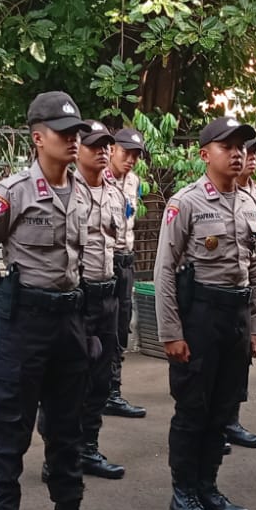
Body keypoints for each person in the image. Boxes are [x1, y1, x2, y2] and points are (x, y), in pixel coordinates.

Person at [0, 91, 113, 510]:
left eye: (76, 132)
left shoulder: (86, 192)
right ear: (37, 137)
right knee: (10, 435)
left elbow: (84, 262)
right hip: (22, 324)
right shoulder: (14, 192)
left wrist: (86, 326)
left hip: (68, 323)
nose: (73, 140)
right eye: (63, 133)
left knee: (67, 432)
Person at [155, 116, 256, 510]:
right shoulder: (185, 204)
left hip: (235, 318)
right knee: (193, 409)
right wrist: (171, 333)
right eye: (227, 146)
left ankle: (209, 486)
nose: (238, 154)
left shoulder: (250, 203)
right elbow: (164, 271)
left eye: (242, 146)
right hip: (200, 314)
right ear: (205, 155)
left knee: (223, 408)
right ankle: (183, 492)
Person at [73, 120, 130, 479]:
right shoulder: (64, 190)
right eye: (93, 144)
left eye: (106, 145)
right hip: (75, 298)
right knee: (67, 378)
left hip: (106, 294)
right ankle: (58, 454)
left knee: (99, 378)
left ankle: (89, 448)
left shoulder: (115, 193)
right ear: (76, 148)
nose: (102, 150)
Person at [224, 138, 256, 449]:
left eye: (252, 153)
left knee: (240, 361)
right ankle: (214, 424)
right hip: (213, 295)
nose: (248, 158)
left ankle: (231, 419)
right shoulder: (195, 199)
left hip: (244, 284)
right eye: (244, 151)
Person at [103, 127, 147, 418]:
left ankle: (113, 391)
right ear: (111, 150)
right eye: (125, 152)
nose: (130, 159)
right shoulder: (95, 179)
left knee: (121, 325)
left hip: (126, 262)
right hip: (102, 263)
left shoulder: (135, 183)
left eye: (135, 154)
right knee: (98, 328)